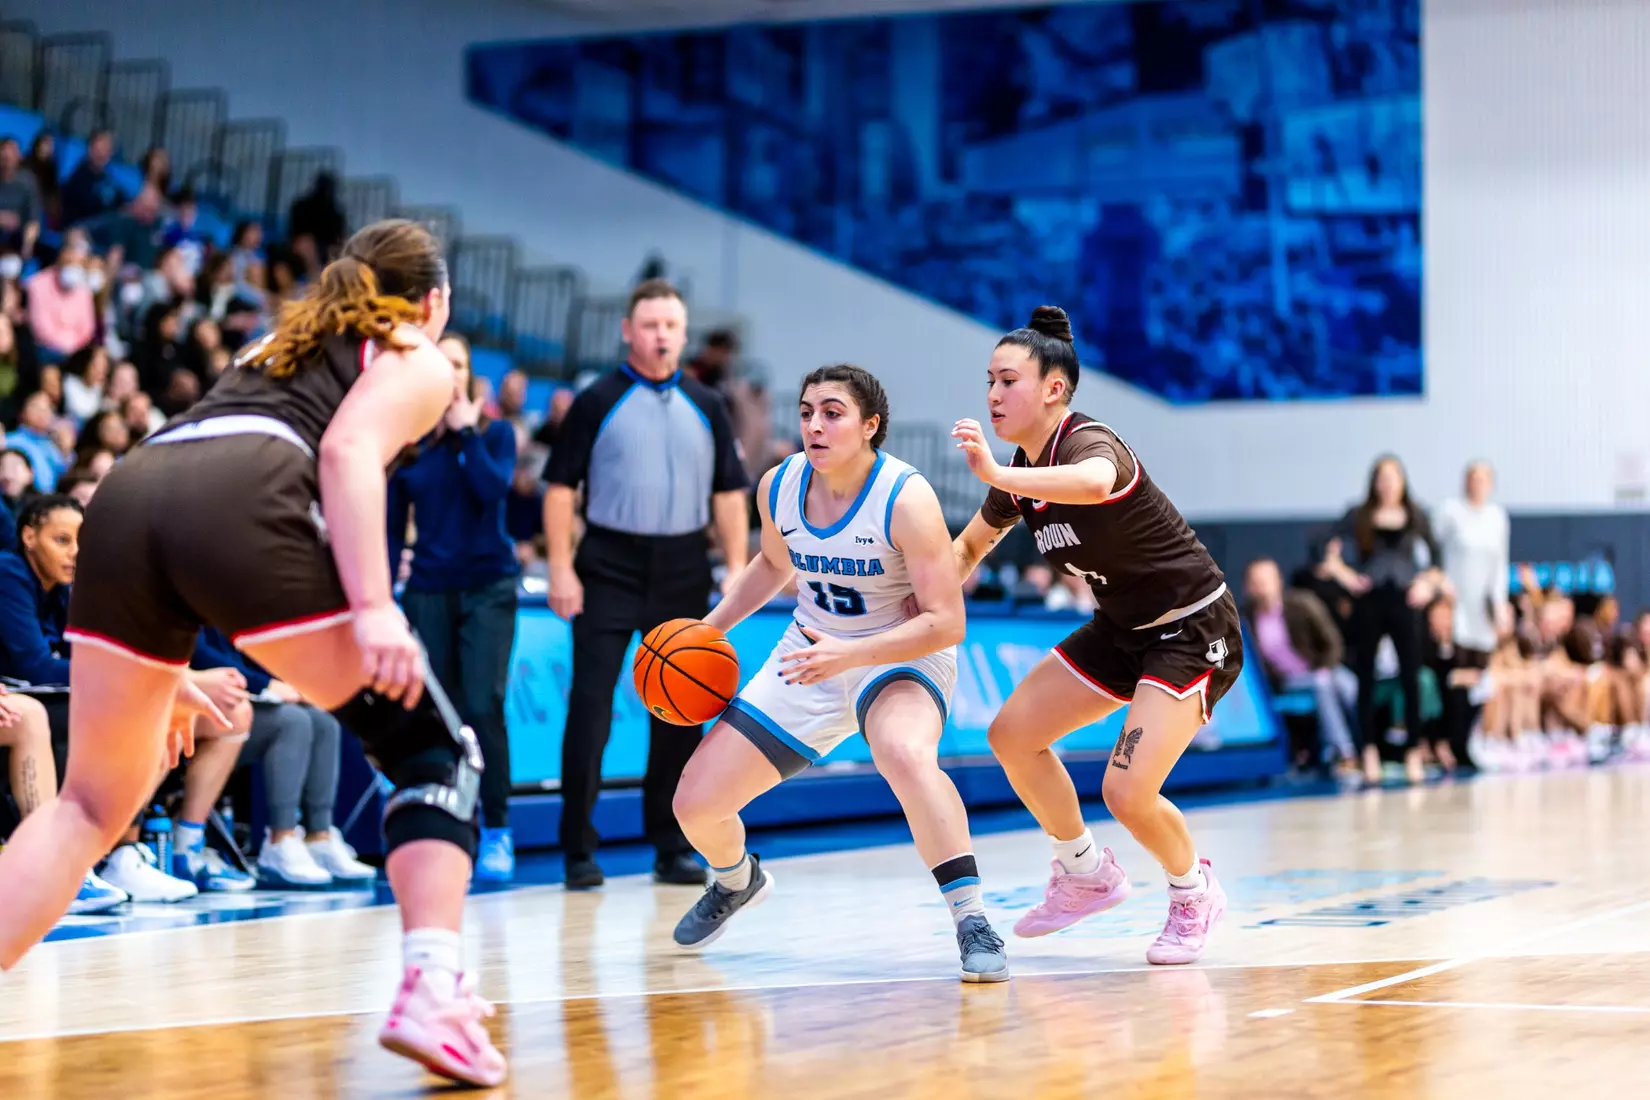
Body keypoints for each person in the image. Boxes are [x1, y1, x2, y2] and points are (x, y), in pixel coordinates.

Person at [0, 219, 507, 1087]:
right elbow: (346, 452)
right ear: (431, 300)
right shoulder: (416, 351)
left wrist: (161, 681)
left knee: (87, 807)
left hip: (130, 491)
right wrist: (377, 606)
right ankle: (432, 989)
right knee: (438, 751)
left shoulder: (286, 337)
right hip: (236, 497)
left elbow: (206, 483)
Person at [667, 364, 1008, 982]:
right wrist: (709, 628)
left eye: (831, 413)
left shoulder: (906, 498)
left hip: (902, 653)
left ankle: (972, 919)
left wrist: (851, 655)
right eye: (805, 413)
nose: (813, 426)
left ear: (870, 426)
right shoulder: (779, 484)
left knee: (905, 754)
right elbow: (772, 565)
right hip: (811, 652)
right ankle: (736, 879)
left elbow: (946, 622)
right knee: (694, 805)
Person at [947, 306, 1240, 965]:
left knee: (1126, 792)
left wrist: (997, 474)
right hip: (1122, 628)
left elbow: (1095, 483)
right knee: (1011, 736)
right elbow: (965, 553)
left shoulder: (1088, 442)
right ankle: (1083, 871)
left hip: (1193, 629)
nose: (993, 395)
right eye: (988, 381)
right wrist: (909, 593)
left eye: (1008, 381)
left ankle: (1195, 892)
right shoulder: (1021, 480)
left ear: (1054, 388)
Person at [543, 279, 750, 889]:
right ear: (628, 332)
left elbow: (729, 493)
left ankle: (670, 844)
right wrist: (561, 566)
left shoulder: (708, 403)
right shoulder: (596, 399)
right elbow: (559, 489)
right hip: (608, 561)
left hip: (683, 562)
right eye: (650, 324)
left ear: (683, 334)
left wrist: (736, 566)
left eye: (671, 325)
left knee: (682, 710)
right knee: (590, 706)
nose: (661, 334)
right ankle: (578, 848)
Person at [388, 333, 520, 882]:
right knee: (435, 712)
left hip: (488, 586)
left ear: (469, 377)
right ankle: (441, 830)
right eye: (439, 362)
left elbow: (492, 492)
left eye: (458, 364)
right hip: (428, 590)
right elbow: (391, 531)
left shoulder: (496, 434)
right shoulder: (410, 442)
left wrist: (465, 430)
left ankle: (496, 829)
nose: (449, 371)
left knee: (482, 704)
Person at [1318, 456, 1448, 785]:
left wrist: (1426, 584)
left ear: (1403, 481)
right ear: (1374, 481)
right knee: (1366, 677)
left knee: (1411, 676)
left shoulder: (1417, 515)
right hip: (1370, 599)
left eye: (1394, 477)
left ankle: (1413, 752)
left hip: (1404, 600)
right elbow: (1325, 551)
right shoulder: (1358, 515)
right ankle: (1369, 751)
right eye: (1382, 477)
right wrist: (1346, 576)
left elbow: (1436, 561)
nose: (1388, 483)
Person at [1433, 461, 1509, 768]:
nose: (1477, 483)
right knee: (1455, 676)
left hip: (1482, 611)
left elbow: (1500, 565)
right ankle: (1450, 742)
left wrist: (1500, 605)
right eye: (1472, 478)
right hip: (1455, 607)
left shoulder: (1497, 517)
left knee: (1481, 679)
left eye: (1483, 478)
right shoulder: (1450, 511)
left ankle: (1472, 740)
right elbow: (1432, 551)